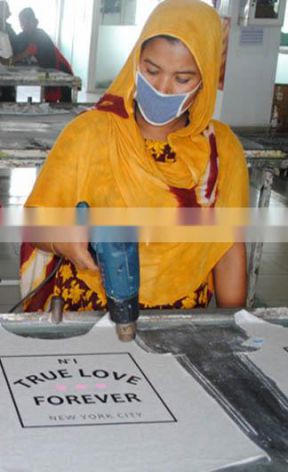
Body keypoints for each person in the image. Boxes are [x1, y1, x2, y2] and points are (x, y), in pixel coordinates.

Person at [20, 0, 248, 312]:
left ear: (204, 79)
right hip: (89, 306)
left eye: (182, 78)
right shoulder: (90, 133)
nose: (163, 88)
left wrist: (231, 325)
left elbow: (229, 248)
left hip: (180, 316)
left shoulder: (220, 150)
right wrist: (62, 240)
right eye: (151, 71)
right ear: (136, 61)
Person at [9, 8, 74, 103]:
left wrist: (11, 60)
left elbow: (28, 52)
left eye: (23, 21)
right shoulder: (27, 34)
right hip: (49, 69)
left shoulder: (39, 34)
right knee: (50, 101)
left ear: (30, 21)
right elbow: (16, 40)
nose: (21, 24)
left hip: (60, 68)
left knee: (65, 103)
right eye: (20, 21)